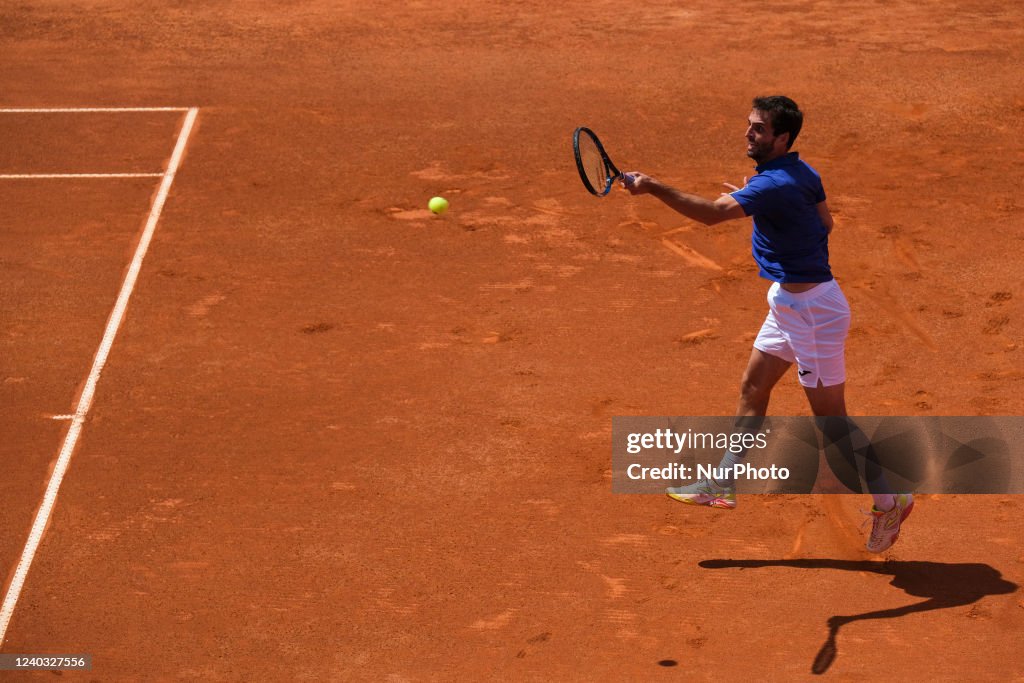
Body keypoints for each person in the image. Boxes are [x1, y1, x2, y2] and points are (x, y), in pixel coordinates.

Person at [620, 96, 912, 553]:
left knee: (832, 421)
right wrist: (775, 209)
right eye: (749, 126)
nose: (748, 134)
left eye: (757, 129)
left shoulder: (774, 184)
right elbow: (825, 224)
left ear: (782, 138)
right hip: (788, 303)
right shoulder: (799, 175)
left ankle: (890, 500)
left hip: (814, 314)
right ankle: (721, 483)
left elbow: (714, 215)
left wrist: (652, 186)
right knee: (754, 388)